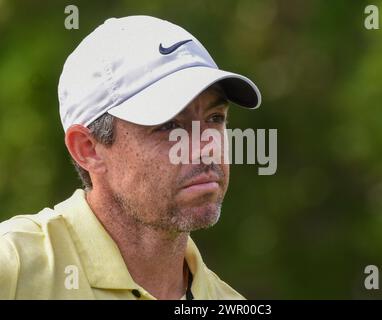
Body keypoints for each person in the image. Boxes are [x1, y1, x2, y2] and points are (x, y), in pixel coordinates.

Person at [0, 15, 261, 299]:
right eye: (169, 125)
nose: (206, 146)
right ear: (87, 149)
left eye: (214, 118)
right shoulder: (14, 267)